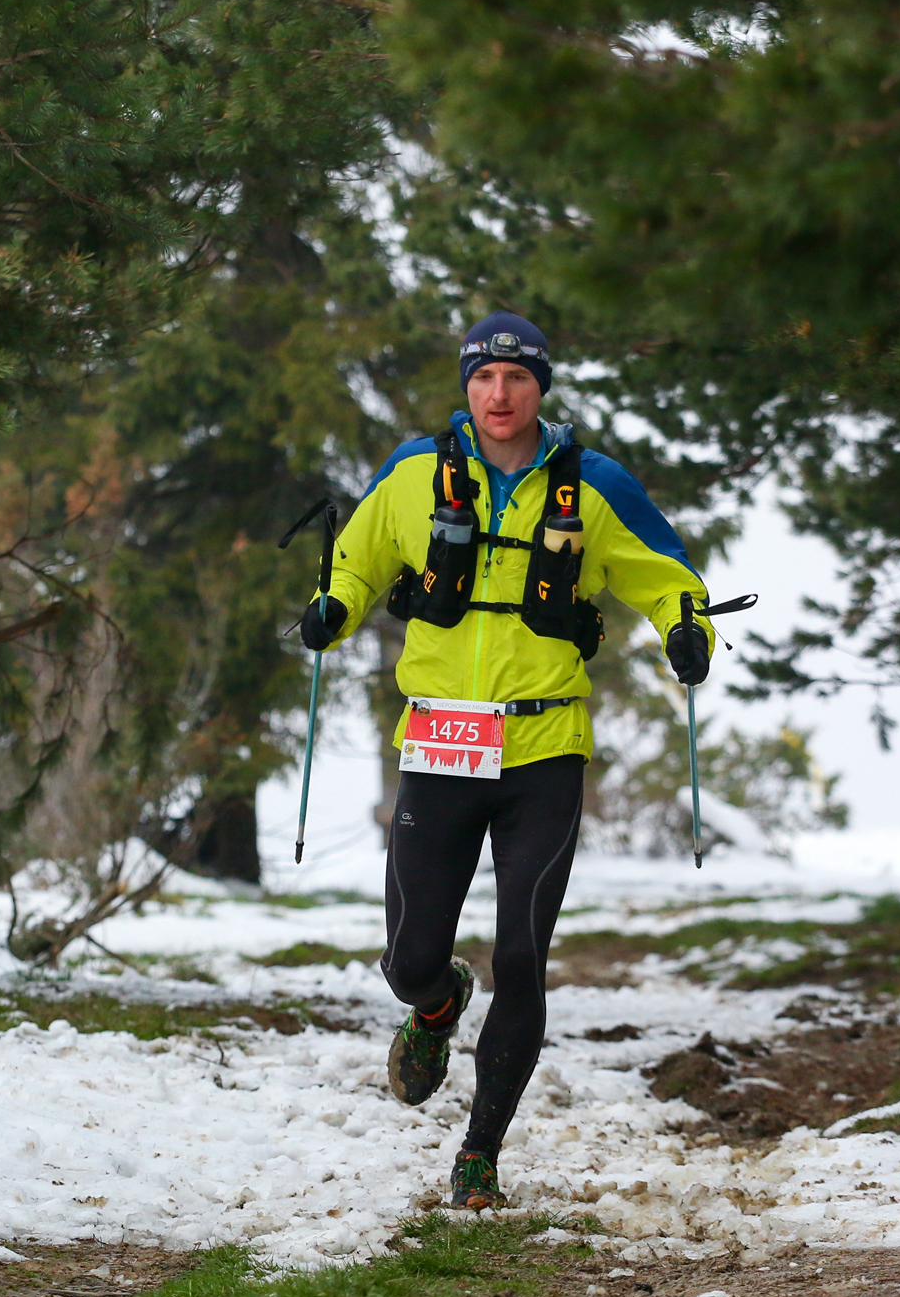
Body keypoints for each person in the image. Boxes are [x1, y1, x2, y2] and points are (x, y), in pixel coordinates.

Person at [298, 311, 715, 1209]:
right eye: (484, 377)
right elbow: (357, 562)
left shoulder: (593, 485)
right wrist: (333, 605)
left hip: (544, 749)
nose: (500, 394)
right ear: (467, 385)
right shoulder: (415, 473)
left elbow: (669, 576)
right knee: (409, 956)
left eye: (518, 377)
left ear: (541, 387)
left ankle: (479, 1153)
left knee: (522, 957)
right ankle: (436, 1002)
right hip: (441, 741)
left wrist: (688, 631)